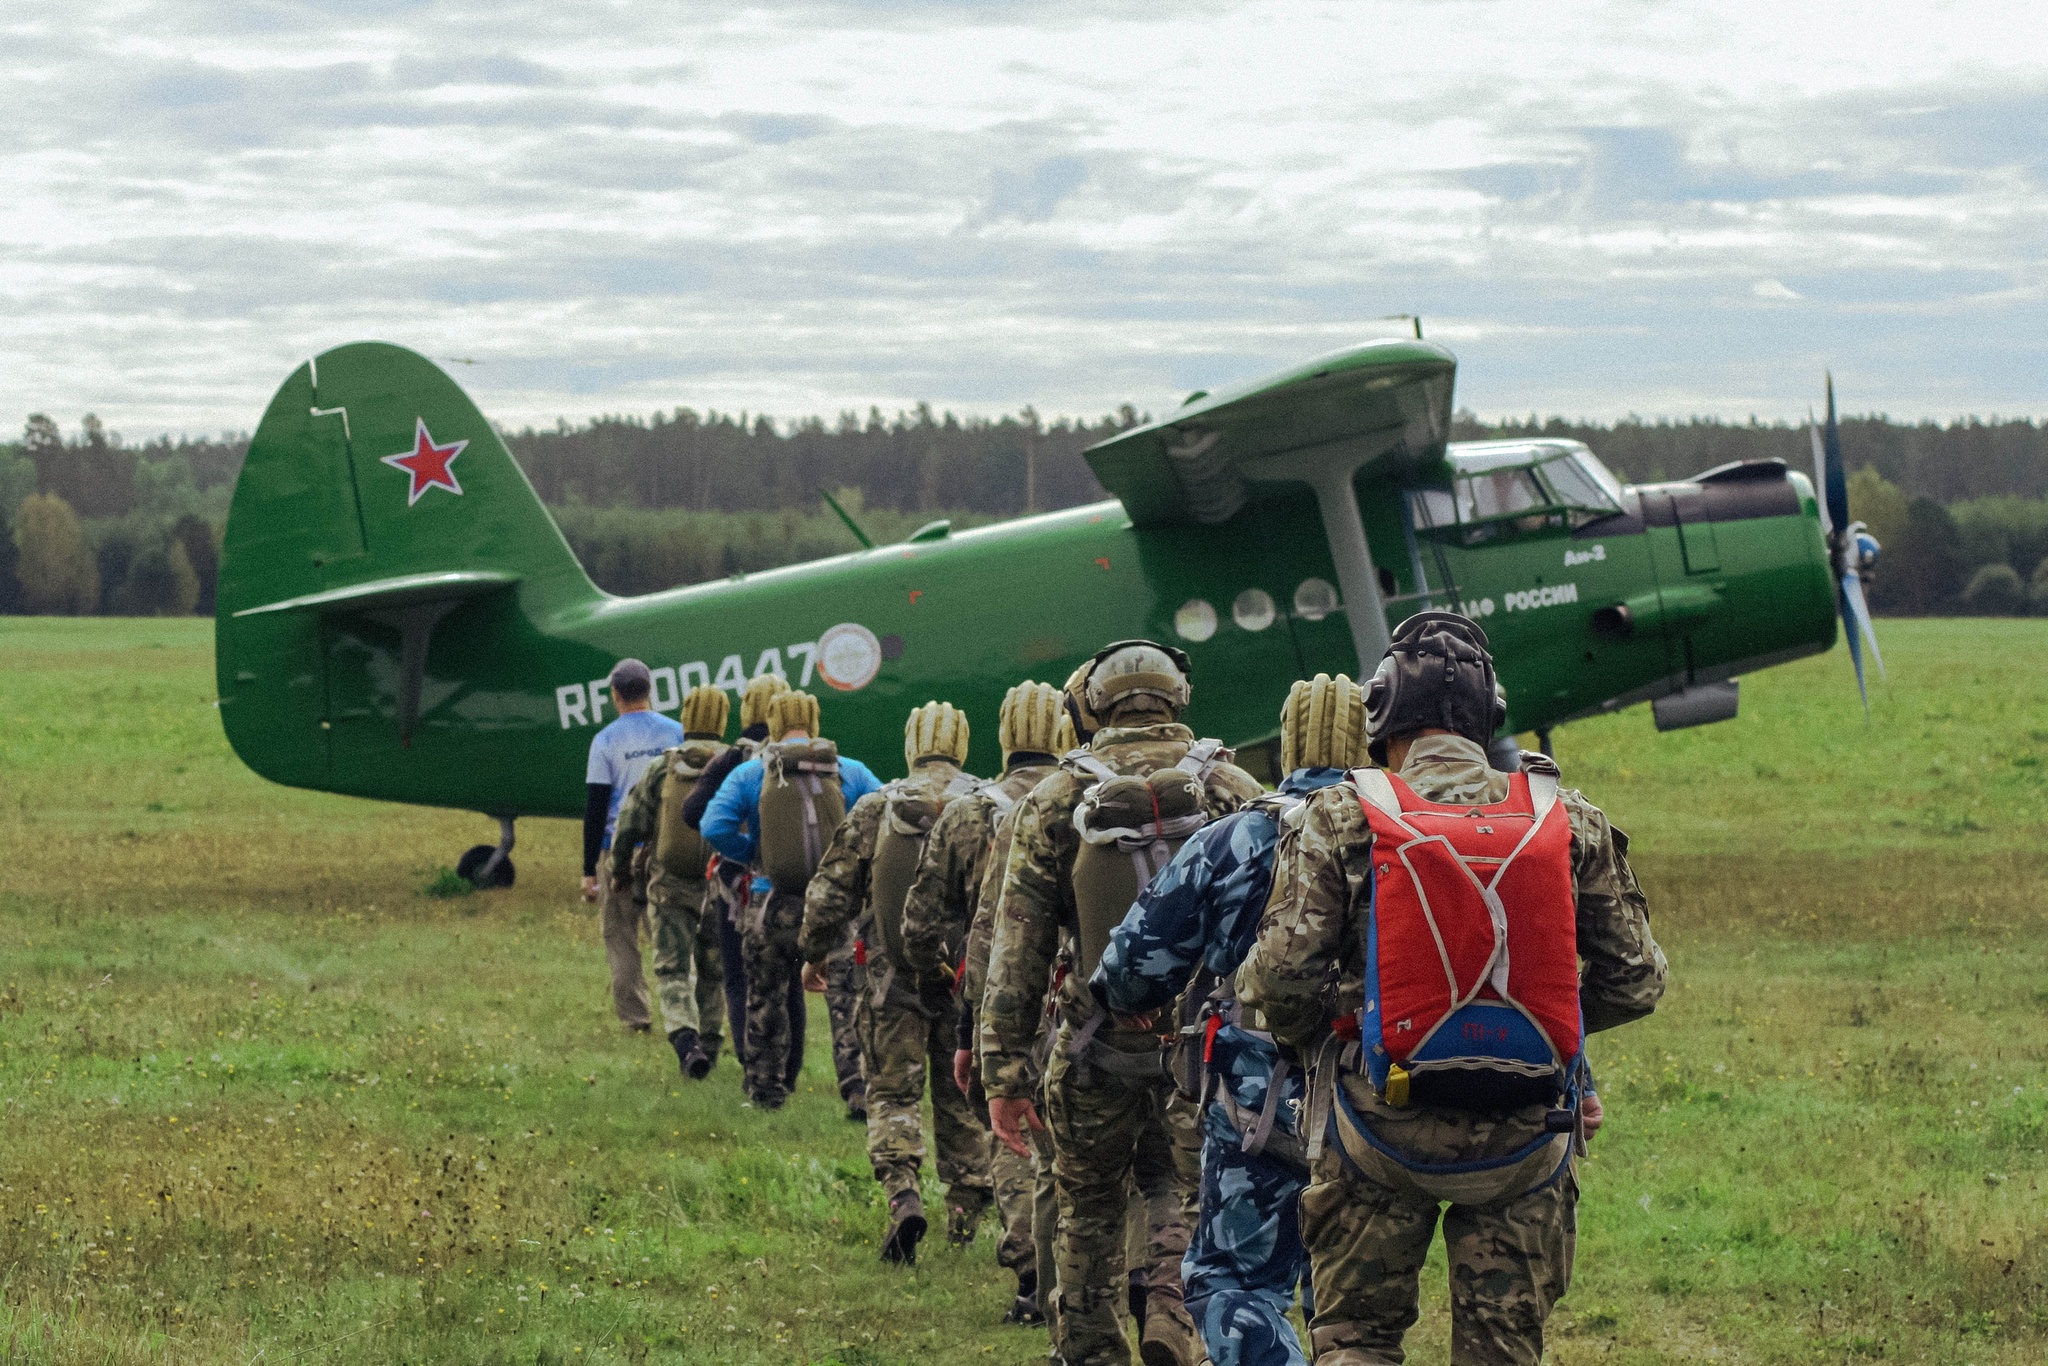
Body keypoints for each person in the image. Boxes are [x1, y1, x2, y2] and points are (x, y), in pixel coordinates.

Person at [1237, 613, 1668, 1366]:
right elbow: (1637, 980)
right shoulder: (1567, 819)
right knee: (1502, 1351)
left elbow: (1276, 980)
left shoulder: (1342, 814)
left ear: (1383, 718)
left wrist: (1350, 1023)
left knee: (1357, 1343)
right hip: (1526, 1134)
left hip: (1377, 1128)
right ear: (1488, 715)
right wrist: (1544, 1019)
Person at [983, 641, 1262, 1366]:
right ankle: (1182, 1327)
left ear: (1093, 706)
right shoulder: (1232, 788)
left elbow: (1017, 948)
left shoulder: (1054, 799)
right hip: (1207, 1053)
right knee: (1204, 1207)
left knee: (1087, 1216)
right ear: (1177, 697)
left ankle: (1090, 1353)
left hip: (1092, 1045)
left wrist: (1003, 1073)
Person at [1091, 674, 1371, 1366]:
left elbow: (1129, 969)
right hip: (1384, 1100)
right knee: (1360, 1314)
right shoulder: (1407, 836)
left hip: (1260, 1107)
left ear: (1284, 744)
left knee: (1231, 1282)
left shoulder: (1238, 836)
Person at [898, 681, 1073, 1318]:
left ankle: (1031, 1275)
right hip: (1083, 997)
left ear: (999, 737)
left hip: (997, 996)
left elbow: (919, 922)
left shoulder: (968, 812)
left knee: (1011, 1137)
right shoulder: (1088, 797)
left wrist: (945, 987)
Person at [800, 702, 992, 1264]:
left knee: (890, 1093)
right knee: (961, 1096)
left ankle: (904, 1195)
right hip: (963, 980)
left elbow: (830, 890)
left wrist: (814, 952)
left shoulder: (877, 805)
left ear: (910, 744)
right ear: (962, 744)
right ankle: (964, 1210)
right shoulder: (986, 804)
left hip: (889, 980)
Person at [702, 689, 881, 1110]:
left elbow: (713, 823)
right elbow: (883, 813)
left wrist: (752, 855)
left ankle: (766, 1089)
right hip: (836, 906)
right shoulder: (848, 770)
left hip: (769, 904)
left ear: (774, 723)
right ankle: (856, 1087)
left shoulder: (752, 773)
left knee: (765, 995)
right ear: (815, 724)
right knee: (846, 996)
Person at [608, 684, 735, 1079]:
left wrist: (619, 870)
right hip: (721, 886)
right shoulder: (737, 763)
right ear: (722, 720)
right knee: (713, 969)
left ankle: (685, 1041)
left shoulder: (664, 766)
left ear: (686, 718)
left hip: (670, 885)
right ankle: (710, 1043)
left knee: (672, 969)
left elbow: (630, 822)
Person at [683, 675, 793, 1084]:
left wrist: (745, 849)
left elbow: (694, 814)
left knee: (739, 976)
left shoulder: (734, 758)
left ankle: (755, 1063)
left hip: (738, 887)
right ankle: (791, 1069)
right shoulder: (808, 758)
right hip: (792, 884)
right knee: (790, 984)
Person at [581, 658, 684, 1033]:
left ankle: (636, 1017)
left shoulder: (605, 741)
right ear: (649, 691)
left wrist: (588, 869)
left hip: (619, 850)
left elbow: (595, 807)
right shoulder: (678, 732)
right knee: (670, 934)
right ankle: (680, 1015)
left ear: (615, 695)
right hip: (665, 848)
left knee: (621, 935)